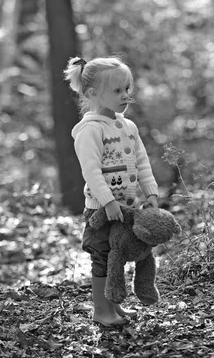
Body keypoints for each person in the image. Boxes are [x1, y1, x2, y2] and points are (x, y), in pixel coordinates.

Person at [65, 56, 159, 326]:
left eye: (127, 89)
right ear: (93, 94)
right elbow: (91, 171)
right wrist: (107, 202)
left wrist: (150, 192)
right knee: (103, 258)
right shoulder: (90, 130)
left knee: (118, 257)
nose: (126, 95)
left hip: (127, 209)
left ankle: (114, 308)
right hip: (101, 210)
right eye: (117, 91)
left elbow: (141, 161)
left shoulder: (128, 126)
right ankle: (101, 311)